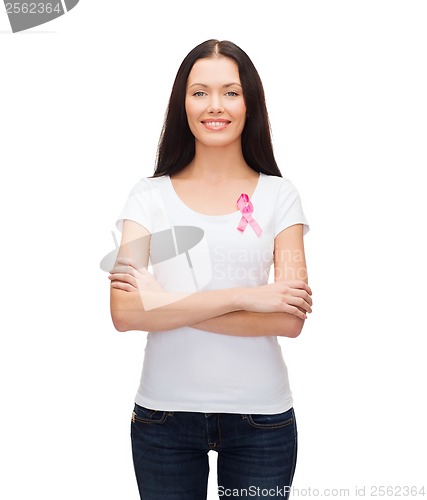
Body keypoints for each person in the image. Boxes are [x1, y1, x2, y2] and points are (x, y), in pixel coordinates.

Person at [108, 39, 312, 500]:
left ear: (250, 103)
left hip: (261, 419)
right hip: (163, 418)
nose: (214, 106)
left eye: (230, 92)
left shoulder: (281, 196)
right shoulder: (147, 195)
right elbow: (124, 313)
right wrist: (245, 296)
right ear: (182, 103)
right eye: (200, 92)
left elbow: (289, 318)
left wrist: (161, 303)